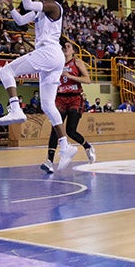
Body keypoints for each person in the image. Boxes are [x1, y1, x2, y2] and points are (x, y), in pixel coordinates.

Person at [0, 0, 78, 170]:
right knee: (48, 105)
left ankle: (15, 108)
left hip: (49, 52)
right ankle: (65, 146)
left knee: (6, 71)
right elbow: (21, 21)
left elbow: (30, 4)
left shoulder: (55, 6)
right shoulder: (43, 10)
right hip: (53, 57)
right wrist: (11, 8)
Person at [41, 39, 96, 174]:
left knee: (71, 131)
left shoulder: (77, 62)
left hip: (74, 98)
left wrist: (70, 76)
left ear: (73, 50)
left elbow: (87, 80)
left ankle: (88, 147)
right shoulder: (57, 63)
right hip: (60, 98)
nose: (65, 48)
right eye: (64, 46)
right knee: (56, 129)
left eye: (68, 46)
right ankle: (49, 161)